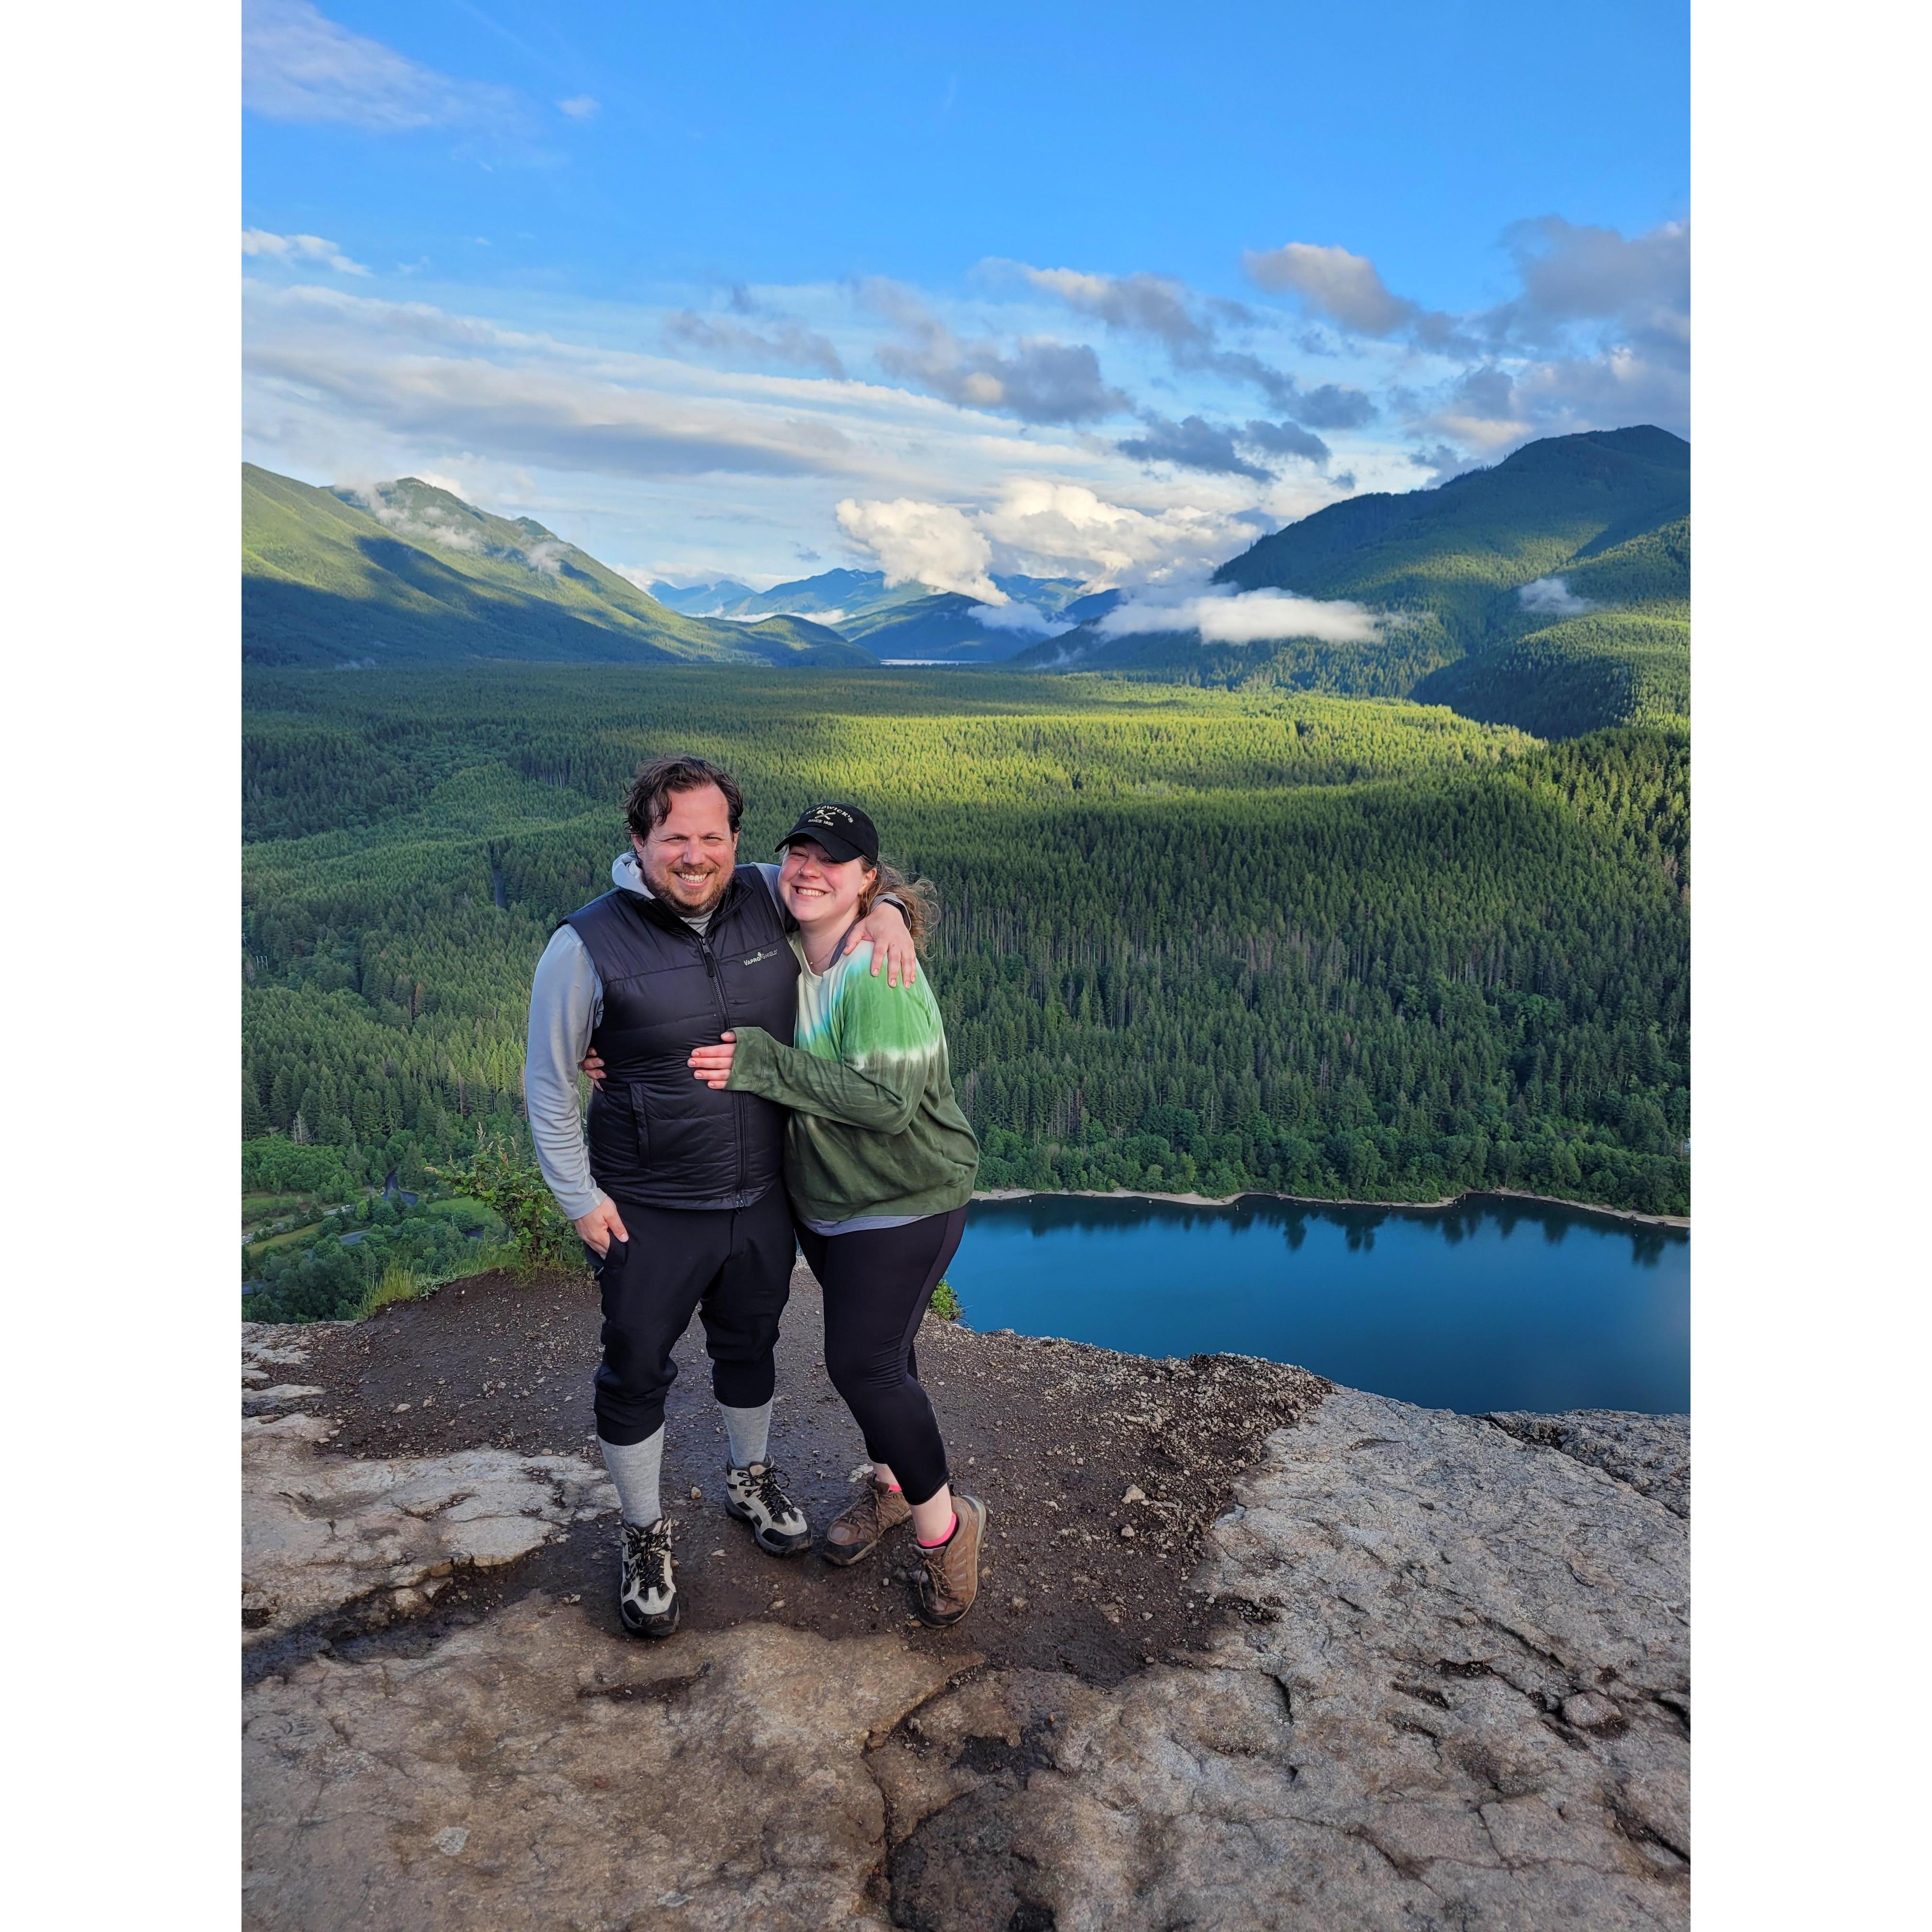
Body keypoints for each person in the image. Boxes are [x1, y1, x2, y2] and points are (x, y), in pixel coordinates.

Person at [523, 755, 918, 1640]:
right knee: (636, 1371)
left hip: (759, 1195)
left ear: (735, 842)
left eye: (712, 836)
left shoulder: (765, 892)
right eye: (675, 837)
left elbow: (840, 882)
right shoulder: (584, 943)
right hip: (646, 1204)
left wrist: (889, 911)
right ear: (640, 841)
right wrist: (579, 1201)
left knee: (751, 1345)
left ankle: (750, 1477)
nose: (694, 855)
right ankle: (642, 1531)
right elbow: (549, 1082)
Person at [684, 800, 986, 1628]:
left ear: (866, 880)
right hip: (832, 1205)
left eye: (834, 860)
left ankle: (946, 1533)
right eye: (798, 855)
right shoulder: (789, 942)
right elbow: (682, 874)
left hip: (907, 1199)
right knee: (888, 1357)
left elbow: (889, 1104)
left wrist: (766, 1063)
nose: (809, 870)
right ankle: (893, 1488)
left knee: (865, 1366)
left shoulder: (877, 973)